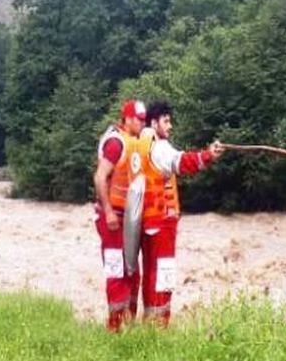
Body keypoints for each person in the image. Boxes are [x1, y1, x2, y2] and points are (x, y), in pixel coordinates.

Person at [137, 101, 223, 326]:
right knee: (163, 274)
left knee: (150, 272)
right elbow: (182, 162)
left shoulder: (140, 144)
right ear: (154, 123)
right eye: (166, 121)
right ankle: (159, 325)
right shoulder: (160, 147)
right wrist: (208, 155)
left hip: (146, 221)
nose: (170, 126)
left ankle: (149, 320)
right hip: (162, 219)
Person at [92, 99, 147, 331]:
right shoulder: (115, 143)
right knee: (117, 271)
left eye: (144, 120)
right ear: (127, 118)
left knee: (132, 271)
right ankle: (115, 328)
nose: (142, 123)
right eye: (138, 119)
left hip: (128, 219)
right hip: (112, 217)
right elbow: (100, 177)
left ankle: (129, 323)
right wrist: (108, 212)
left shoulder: (134, 142)